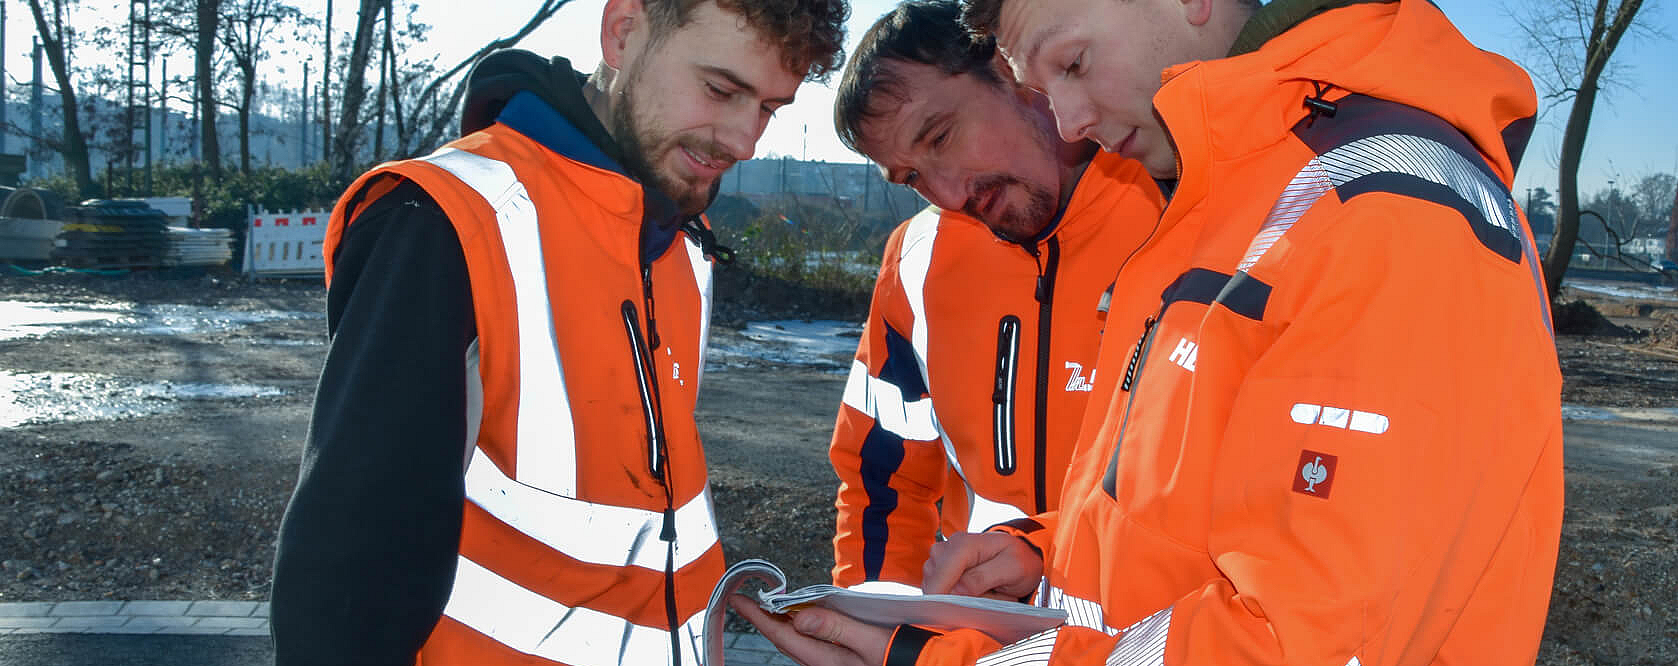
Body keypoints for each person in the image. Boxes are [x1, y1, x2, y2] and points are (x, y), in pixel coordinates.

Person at [735, 0, 1565, 665]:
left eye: (1072, 63)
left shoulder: (1384, 213)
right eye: (915, 177)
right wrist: (1041, 551)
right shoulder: (1216, 209)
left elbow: (1303, 641)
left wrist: (938, 663)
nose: (1064, 119)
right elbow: (1175, 519)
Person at [268, 0, 846, 663]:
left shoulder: (679, 243)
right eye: (721, 89)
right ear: (623, 31)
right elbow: (345, 582)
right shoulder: (445, 223)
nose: (745, 140)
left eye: (769, 108)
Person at [824, 0, 1164, 595]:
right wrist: (882, 628)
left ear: (1011, 72)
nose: (949, 192)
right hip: (977, 647)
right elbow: (883, 480)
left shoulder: (1181, 211)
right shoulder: (918, 260)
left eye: (942, 136)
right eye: (912, 179)